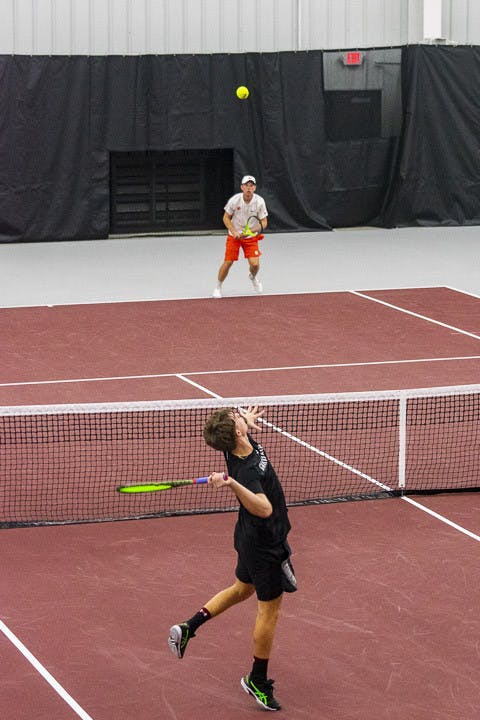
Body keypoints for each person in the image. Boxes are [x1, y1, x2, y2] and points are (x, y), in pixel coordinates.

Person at [168, 405, 296, 712]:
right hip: (264, 545)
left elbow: (236, 437)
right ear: (237, 432)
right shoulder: (247, 470)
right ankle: (257, 680)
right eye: (238, 417)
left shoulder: (236, 443)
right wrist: (232, 483)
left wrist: (246, 424)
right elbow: (264, 508)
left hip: (249, 538)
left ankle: (189, 627)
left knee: (241, 588)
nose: (242, 415)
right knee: (269, 610)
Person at [212, 175, 268, 298]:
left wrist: (250, 231)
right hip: (234, 236)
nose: (249, 188)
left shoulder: (259, 202)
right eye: (246, 186)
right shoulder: (234, 200)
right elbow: (226, 218)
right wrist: (234, 231)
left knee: (255, 265)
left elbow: (264, 222)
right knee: (228, 262)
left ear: (255, 188)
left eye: (251, 185)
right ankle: (218, 287)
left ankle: (253, 277)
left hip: (250, 237)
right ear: (242, 187)